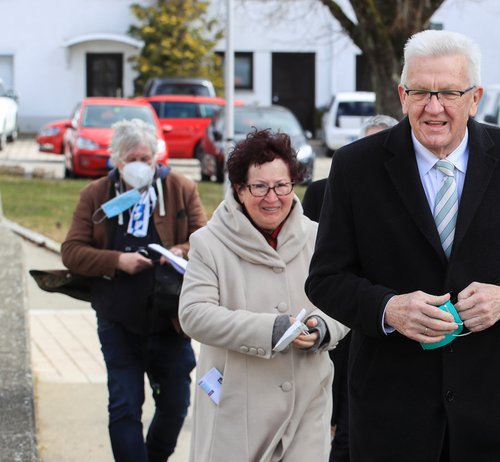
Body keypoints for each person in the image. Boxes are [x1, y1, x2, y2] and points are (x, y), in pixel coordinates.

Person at [305, 29, 500, 461]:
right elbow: (326, 279)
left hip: (493, 412)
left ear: (475, 97)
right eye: (420, 92)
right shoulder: (356, 168)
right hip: (391, 414)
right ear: (401, 94)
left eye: (448, 92)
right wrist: (388, 309)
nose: (433, 107)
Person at [178, 129, 349, 461]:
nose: (272, 197)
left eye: (281, 185)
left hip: (307, 407)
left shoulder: (319, 237)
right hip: (237, 409)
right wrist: (270, 330)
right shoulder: (209, 243)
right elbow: (194, 314)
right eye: (259, 187)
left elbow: (343, 303)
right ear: (240, 190)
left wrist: (322, 328)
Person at [61, 118, 206, 462]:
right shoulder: (96, 194)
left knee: (175, 403)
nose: (142, 166)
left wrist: (182, 250)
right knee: (124, 405)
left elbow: (205, 239)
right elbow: (72, 252)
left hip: (170, 320)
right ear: (117, 160)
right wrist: (117, 261)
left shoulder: (180, 189)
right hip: (119, 319)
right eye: (133, 159)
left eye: (148, 158)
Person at [302, 113, 397, 462]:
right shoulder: (323, 191)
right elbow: (316, 260)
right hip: (338, 317)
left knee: (357, 426)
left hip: (387, 323)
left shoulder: (408, 197)